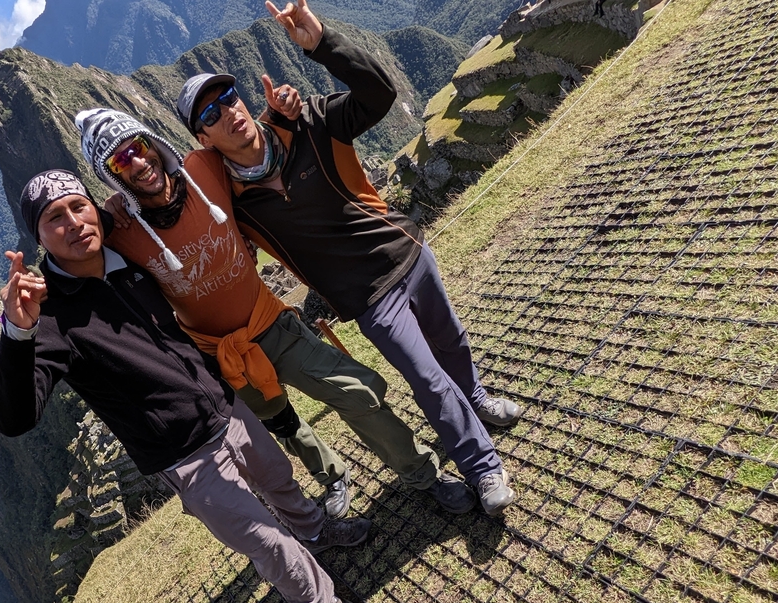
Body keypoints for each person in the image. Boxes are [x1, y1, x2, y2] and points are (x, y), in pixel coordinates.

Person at [0, 169, 378, 603]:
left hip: (223, 405)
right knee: (262, 538)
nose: (73, 223)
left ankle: (317, 531)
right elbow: (13, 417)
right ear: (38, 235)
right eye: (54, 218)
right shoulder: (47, 319)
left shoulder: (129, 258)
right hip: (180, 453)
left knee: (279, 477)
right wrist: (17, 333)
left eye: (78, 207)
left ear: (94, 209)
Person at [176, 0, 524, 516]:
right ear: (203, 139)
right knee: (426, 378)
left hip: (405, 250)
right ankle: (482, 466)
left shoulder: (310, 121)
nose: (228, 111)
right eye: (210, 113)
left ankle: (475, 396)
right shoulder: (232, 204)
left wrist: (320, 42)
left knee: (451, 340)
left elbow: (378, 95)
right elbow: (203, 250)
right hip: (367, 298)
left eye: (228, 97)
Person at [73, 106, 478, 516]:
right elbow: (75, 256)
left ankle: (422, 473)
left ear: (154, 144)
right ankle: (333, 475)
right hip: (222, 353)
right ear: (111, 175)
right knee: (283, 423)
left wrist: (281, 111)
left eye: (139, 148)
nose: (139, 163)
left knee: (356, 392)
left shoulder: (203, 170)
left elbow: (244, 138)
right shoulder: (119, 232)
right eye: (120, 160)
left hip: (270, 323)